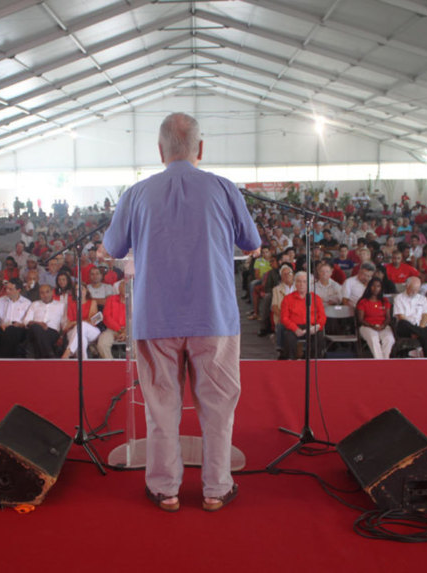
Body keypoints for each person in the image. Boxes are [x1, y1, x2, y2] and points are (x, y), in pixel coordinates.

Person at [101, 112, 260, 512]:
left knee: (161, 408)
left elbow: (113, 247)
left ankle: (164, 489)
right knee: (219, 408)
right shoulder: (224, 189)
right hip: (215, 317)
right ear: (200, 150)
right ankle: (216, 489)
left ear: (160, 151)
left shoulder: (136, 193)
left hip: (156, 319)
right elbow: (251, 241)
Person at [393, 276, 427, 358]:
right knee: (403, 323)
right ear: (407, 286)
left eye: (417, 289)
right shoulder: (399, 298)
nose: (414, 292)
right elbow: (401, 317)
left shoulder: (422, 299)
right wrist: (415, 330)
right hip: (406, 327)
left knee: (425, 335)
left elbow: (425, 316)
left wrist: (419, 330)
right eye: (412, 289)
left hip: (421, 326)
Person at [280, 271, 327, 360]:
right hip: (294, 327)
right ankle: (291, 361)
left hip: (312, 326)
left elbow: (323, 317)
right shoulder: (287, 299)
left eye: (304, 282)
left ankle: (314, 361)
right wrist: (295, 328)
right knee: (288, 336)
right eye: (299, 281)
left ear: (309, 284)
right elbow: (284, 318)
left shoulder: (316, 298)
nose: (301, 284)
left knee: (319, 335)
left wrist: (317, 326)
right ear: (295, 283)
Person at [356, 277, 395, 359]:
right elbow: (360, 319)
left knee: (389, 339)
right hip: (367, 326)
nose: (375, 288)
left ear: (381, 288)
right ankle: (379, 360)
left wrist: (383, 326)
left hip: (383, 326)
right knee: (374, 339)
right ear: (369, 287)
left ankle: (385, 360)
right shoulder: (363, 301)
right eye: (373, 286)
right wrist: (372, 326)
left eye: (378, 286)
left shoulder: (384, 301)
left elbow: (388, 318)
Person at [24, 284, 65, 358]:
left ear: (52, 292)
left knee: (38, 338)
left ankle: (45, 355)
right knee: (36, 328)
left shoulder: (61, 305)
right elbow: (26, 321)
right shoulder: (34, 304)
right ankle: (50, 355)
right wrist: (39, 324)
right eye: (42, 293)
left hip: (52, 332)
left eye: (47, 292)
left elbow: (64, 323)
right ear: (39, 294)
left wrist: (62, 337)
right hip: (34, 330)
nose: (45, 295)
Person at [0, 279, 31, 358]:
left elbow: (28, 321)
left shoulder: (27, 303)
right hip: (3, 328)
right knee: (7, 332)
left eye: (10, 289)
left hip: (19, 329)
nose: (7, 291)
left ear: (18, 290)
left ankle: (4, 359)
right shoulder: (0, 301)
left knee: (11, 330)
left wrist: (21, 325)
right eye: (6, 289)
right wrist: (0, 325)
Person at [97, 280, 127, 359]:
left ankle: (134, 367)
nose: (125, 288)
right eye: (123, 286)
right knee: (102, 343)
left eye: (127, 286)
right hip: (112, 329)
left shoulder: (135, 300)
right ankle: (110, 364)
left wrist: (126, 331)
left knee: (137, 344)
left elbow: (137, 319)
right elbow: (106, 317)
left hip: (130, 330)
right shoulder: (111, 299)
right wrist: (119, 330)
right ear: (119, 289)